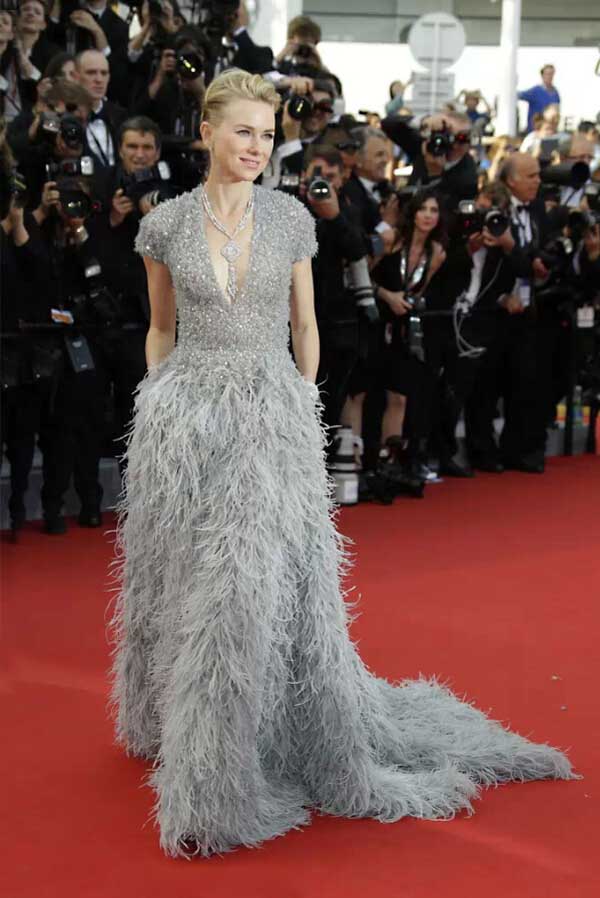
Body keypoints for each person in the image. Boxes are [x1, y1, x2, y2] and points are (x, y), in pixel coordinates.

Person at [110, 68, 573, 859]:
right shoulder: (165, 224)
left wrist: (301, 401)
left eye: (267, 134)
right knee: (180, 572)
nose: (257, 146)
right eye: (243, 131)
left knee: (241, 585)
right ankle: (166, 717)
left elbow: (306, 325)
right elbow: (160, 328)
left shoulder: (291, 218)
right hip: (183, 425)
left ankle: (217, 771)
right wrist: (158, 400)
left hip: (270, 418)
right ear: (207, 132)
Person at [518, 64, 560, 133]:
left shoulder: (555, 93)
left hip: (550, 131)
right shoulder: (536, 91)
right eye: (548, 74)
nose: (550, 76)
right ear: (542, 75)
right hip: (535, 131)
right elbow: (519, 95)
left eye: (552, 74)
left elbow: (557, 111)